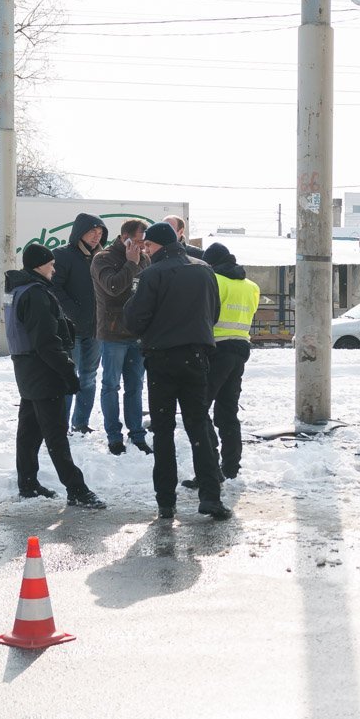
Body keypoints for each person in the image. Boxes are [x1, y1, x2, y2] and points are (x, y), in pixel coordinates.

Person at [122, 222, 231, 521]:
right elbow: (214, 313)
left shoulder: (151, 275)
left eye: (148, 245)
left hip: (161, 362)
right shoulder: (204, 270)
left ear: (158, 245)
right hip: (196, 359)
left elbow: (135, 320)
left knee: (164, 431)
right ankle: (210, 496)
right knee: (199, 427)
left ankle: (166, 502)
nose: (145, 249)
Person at [4, 244, 106, 509]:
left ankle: (28, 483)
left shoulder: (19, 290)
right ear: (39, 265)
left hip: (26, 370)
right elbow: (47, 342)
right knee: (56, 434)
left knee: (29, 430)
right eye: (50, 263)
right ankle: (77, 489)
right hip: (43, 370)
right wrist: (67, 371)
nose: (54, 268)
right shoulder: (36, 294)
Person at [181, 243, 260, 490]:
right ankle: (231, 467)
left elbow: (205, 314)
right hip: (240, 350)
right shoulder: (251, 286)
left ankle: (210, 468)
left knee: (199, 408)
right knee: (228, 411)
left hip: (215, 350)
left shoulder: (213, 280)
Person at [91, 218, 153, 456]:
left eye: (144, 242)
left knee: (135, 386)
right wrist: (130, 263)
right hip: (113, 333)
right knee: (110, 385)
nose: (142, 246)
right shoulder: (103, 258)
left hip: (137, 334)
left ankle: (137, 434)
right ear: (125, 237)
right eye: (138, 240)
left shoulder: (144, 259)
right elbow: (113, 288)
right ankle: (114, 436)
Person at [51, 212, 107, 434]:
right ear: (79, 232)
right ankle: (61, 425)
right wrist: (72, 312)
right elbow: (54, 287)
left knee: (89, 378)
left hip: (95, 330)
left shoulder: (102, 258)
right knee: (67, 378)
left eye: (100, 233)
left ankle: (81, 423)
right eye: (92, 231)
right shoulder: (62, 255)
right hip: (69, 330)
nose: (96, 236)